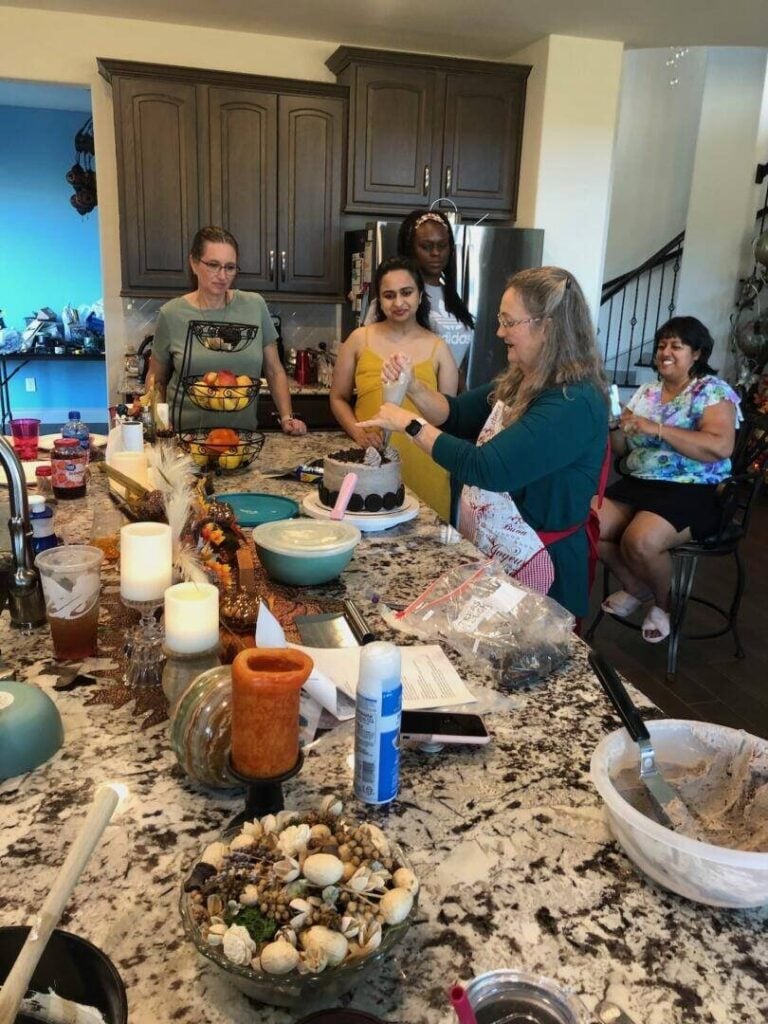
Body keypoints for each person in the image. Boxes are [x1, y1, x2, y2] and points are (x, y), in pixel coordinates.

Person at [358, 267, 608, 619]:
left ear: (548, 326)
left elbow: (488, 468)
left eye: (509, 321)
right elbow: (455, 413)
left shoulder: (573, 402)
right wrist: (413, 385)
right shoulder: (520, 381)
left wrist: (409, 424)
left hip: (546, 572)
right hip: (498, 557)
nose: (499, 331)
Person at [596, 316, 742, 643]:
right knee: (585, 520)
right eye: (662, 344)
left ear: (698, 354)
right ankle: (637, 589)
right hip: (641, 483)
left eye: (677, 346)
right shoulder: (647, 392)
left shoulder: (712, 391)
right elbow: (622, 450)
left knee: (641, 540)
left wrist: (656, 428)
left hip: (696, 489)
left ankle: (665, 605)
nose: (666, 351)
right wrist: (616, 426)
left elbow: (720, 446)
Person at [330, 256, 459, 521]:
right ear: (379, 300)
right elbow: (338, 398)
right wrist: (357, 432)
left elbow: (448, 416)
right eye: (389, 295)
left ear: (420, 295)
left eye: (406, 292)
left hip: (426, 466)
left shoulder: (439, 349)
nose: (398, 302)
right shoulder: (358, 339)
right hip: (371, 465)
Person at [148, 226, 306, 435]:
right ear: (194, 264)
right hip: (186, 438)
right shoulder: (171, 314)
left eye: (230, 267)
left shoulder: (254, 306)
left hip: (242, 438)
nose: (222, 275)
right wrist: (159, 425)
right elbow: (156, 380)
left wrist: (287, 417)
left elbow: (274, 370)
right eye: (213, 265)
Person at [365, 209, 475, 380]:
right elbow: (370, 357)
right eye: (426, 246)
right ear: (411, 249)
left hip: (448, 399)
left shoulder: (453, 298)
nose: (436, 253)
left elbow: (456, 367)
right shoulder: (397, 302)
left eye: (442, 245)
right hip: (408, 396)